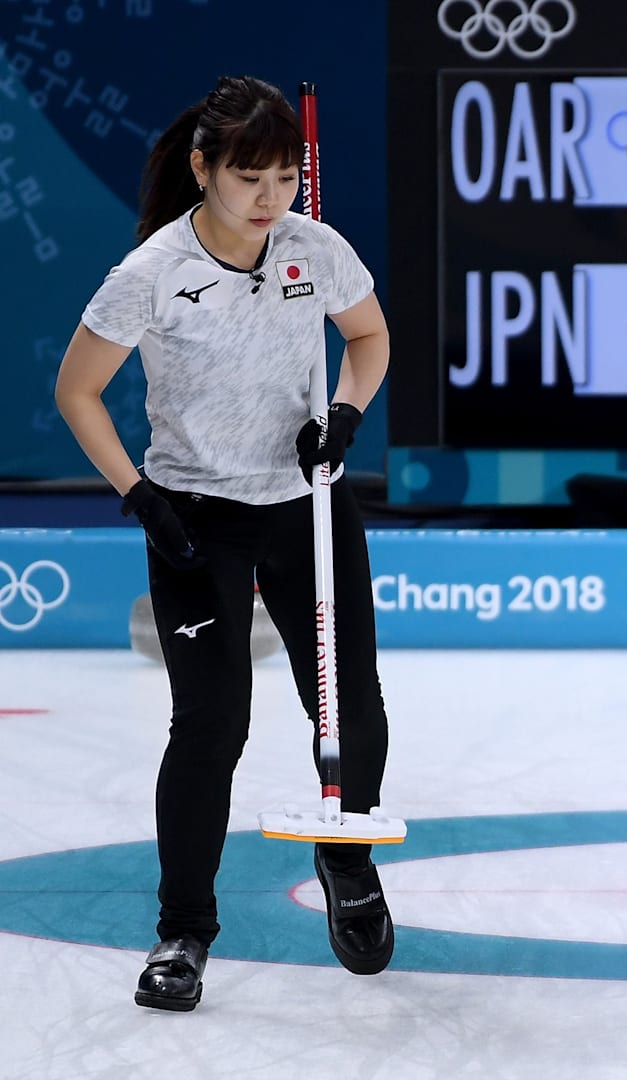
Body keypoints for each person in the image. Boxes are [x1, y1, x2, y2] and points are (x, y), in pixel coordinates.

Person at [53, 75, 396, 1011]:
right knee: (211, 730)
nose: (269, 199)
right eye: (249, 177)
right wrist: (139, 496)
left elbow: (367, 338)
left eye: (285, 177)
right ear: (203, 168)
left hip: (307, 507)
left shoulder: (314, 249)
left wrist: (345, 413)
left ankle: (349, 862)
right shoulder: (151, 271)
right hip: (194, 518)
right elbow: (76, 389)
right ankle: (183, 932)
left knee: (349, 704)